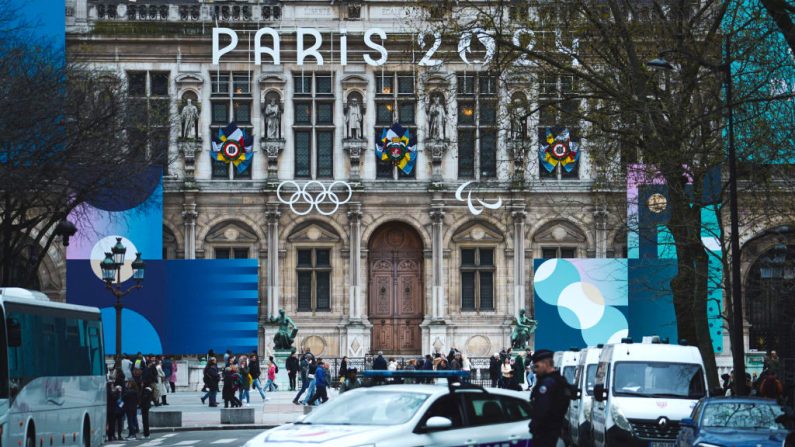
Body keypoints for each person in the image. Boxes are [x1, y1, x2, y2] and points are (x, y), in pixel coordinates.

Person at [529, 349, 570, 447]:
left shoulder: (548, 383)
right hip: (554, 431)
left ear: (546, 364)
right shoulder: (559, 380)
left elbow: (542, 408)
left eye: (537, 366)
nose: (536, 370)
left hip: (545, 432)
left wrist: (534, 426)